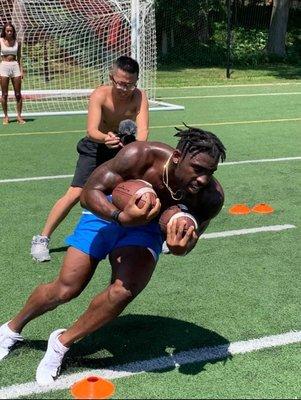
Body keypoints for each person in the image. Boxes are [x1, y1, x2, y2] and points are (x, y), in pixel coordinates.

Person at [0, 126, 226, 385]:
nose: (203, 179)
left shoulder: (210, 197)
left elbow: (190, 240)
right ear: (177, 157)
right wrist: (121, 216)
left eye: (210, 172)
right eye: (198, 169)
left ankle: (61, 344)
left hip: (147, 228)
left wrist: (179, 248)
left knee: (122, 293)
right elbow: (88, 194)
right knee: (66, 289)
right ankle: (11, 329)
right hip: (108, 211)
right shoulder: (140, 155)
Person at [30, 55, 149, 262]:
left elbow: (143, 132)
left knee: (142, 187)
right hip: (96, 146)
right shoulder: (100, 95)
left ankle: (153, 234)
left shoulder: (140, 96)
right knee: (76, 193)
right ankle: (42, 239)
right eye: (120, 83)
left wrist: (133, 149)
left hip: (123, 148)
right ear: (111, 77)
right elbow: (92, 131)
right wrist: (106, 138)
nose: (124, 89)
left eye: (130, 85)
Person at [0, 22, 25, 125]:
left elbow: (19, 57)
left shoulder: (17, 42)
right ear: (4, 31)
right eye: (7, 31)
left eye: (11, 31)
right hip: (4, 66)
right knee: (4, 94)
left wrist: (21, 70)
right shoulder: (0, 41)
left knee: (18, 94)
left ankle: (19, 116)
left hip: (15, 66)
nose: (9, 32)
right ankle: (6, 116)